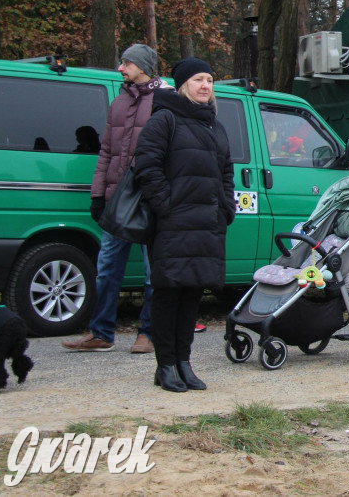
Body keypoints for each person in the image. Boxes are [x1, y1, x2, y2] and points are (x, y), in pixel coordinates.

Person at [135, 57, 234, 391]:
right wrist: (166, 207)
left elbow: (226, 172)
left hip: (207, 224)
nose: (205, 85)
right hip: (173, 224)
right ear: (181, 85)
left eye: (209, 79)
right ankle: (165, 367)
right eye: (197, 80)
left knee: (192, 293)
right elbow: (147, 167)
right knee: (168, 293)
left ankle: (183, 363)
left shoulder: (214, 125)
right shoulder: (164, 119)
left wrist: (226, 208)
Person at [62, 44, 166, 355]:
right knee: (106, 267)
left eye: (126, 62)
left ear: (143, 65)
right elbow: (106, 151)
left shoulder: (164, 100)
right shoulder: (119, 101)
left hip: (150, 199)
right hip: (116, 199)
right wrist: (97, 196)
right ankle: (101, 332)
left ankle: (148, 333)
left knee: (152, 271)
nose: (121, 68)